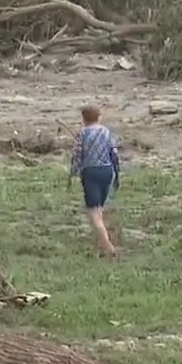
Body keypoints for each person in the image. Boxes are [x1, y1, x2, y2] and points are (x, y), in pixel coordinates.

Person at [68, 105, 120, 257]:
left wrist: (72, 174)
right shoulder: (106, 132)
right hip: (107, 171)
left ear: (83, 118)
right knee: (100, 208)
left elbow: (77, 156)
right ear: (98, 117)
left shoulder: (82, 134)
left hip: (90, 172)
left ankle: (108, 247)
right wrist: (117, 174)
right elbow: (114, 153)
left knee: (94, 212)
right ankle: (100, 248)